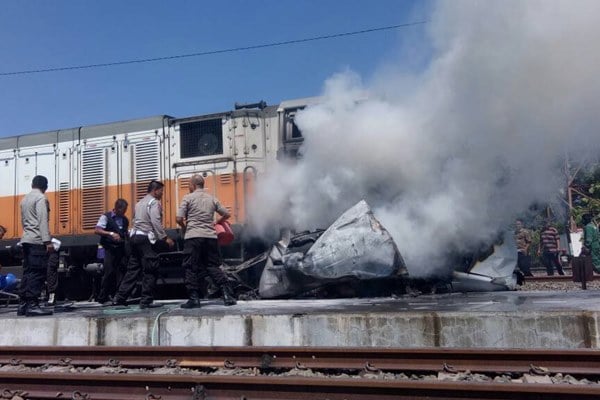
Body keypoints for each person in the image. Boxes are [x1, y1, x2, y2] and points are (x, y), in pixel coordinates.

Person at [176, 174, 236, 308]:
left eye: (189, 185)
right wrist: (216, 222)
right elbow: (226, 214)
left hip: (193, 237)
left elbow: (179, 218)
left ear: (192, 185)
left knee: (190, 267)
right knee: (212, 266)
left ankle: (194, 298)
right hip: (210, 237)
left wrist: (185, 228)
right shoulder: (212, 198)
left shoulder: (188, 198)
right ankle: (227, 295)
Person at [113, 181, 174, 308]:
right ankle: (146, 300)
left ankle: (120, 297)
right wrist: (165, 237)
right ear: (155, 190)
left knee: (133, 269)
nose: (162, 194)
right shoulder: (154, 203)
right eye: (161, 191)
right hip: (146, 238)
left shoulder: (139, 203)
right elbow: (155, 221)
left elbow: (134, 220)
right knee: (150, 269)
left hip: (134, 237)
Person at [18, 175, 53, 316]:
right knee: (37, 272)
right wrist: (47, 241)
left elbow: (23, 222)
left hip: (26, 239)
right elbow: (42, 220)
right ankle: (33, 304)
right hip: (37, 240)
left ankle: (23, 305)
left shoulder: (24, 199)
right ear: (45, 187)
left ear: (32, 184)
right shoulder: (41, 198)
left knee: (27, 272)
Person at [94, 199, 129, 305]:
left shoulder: (124, 220)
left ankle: (118, 296)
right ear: (118, 208)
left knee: (121, 271)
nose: (124, 212)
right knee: (108, 272)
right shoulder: (106, 217)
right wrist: (110, 234)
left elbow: (124, 232)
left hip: (120, 248)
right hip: (109, 248)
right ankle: (103, 297)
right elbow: (97, 230)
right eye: (123, 210)